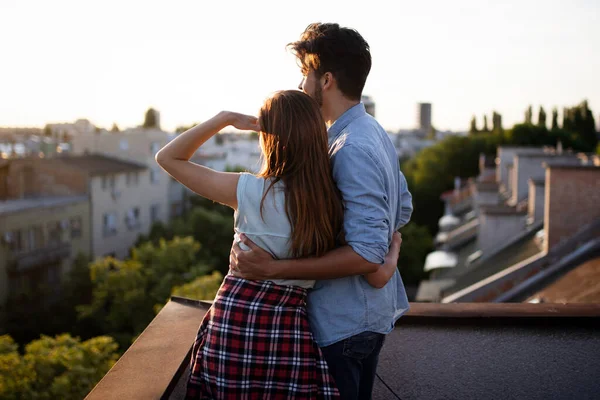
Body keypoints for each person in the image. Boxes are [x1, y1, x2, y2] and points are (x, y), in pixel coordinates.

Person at [155, 90, 400, 399]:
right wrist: (394, 246)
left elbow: (167, 158)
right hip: (287, 328)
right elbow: (377, 273)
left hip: (235, 321)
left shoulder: (247, 191)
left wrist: (225, 119)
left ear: (269, 137)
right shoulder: (332, 205)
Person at [229, 23, 413, 400]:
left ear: (325, 79)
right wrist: (386, 258)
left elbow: (365, 251)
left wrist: (274, 269)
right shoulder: (372, 132)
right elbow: (402, 206)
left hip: (345, 323)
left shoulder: (349, 148)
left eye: (304, 75)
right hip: (366, 317)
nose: (300, 87)